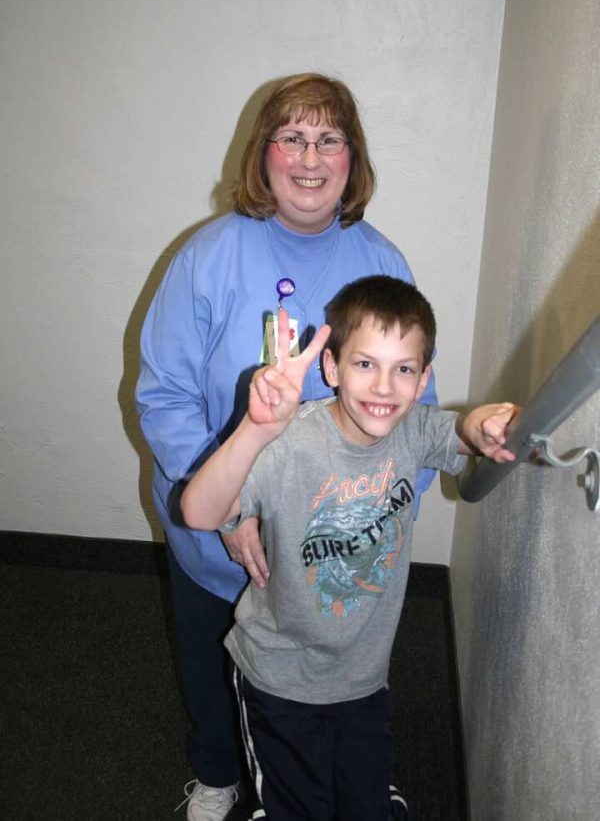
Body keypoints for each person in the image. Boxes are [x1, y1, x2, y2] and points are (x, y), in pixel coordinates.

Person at [135, 73, 438, 821]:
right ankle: (217, 772)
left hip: (336, 544)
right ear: (263, 155)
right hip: (220, 533)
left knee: (334, 670)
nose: (310, 156)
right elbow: (165, 397)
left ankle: (355, 772)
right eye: (292, 137)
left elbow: (416, 407)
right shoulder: (208, 256)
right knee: (217, 665)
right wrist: (234, 515)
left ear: (352, 158)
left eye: (329, 138)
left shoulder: (383, 261)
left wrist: (365, 517)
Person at [180, 275, 518, 821]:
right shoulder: (290, 443)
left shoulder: (413, 432)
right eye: (365, 364)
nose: (384, 387)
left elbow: (465, 433)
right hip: (279, 676)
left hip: (362, 675)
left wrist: (482, 424)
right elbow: (198, 513)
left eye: (403, 369)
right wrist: (256, 430)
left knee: (365, 802)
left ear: (422, 377)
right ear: (331, 368)